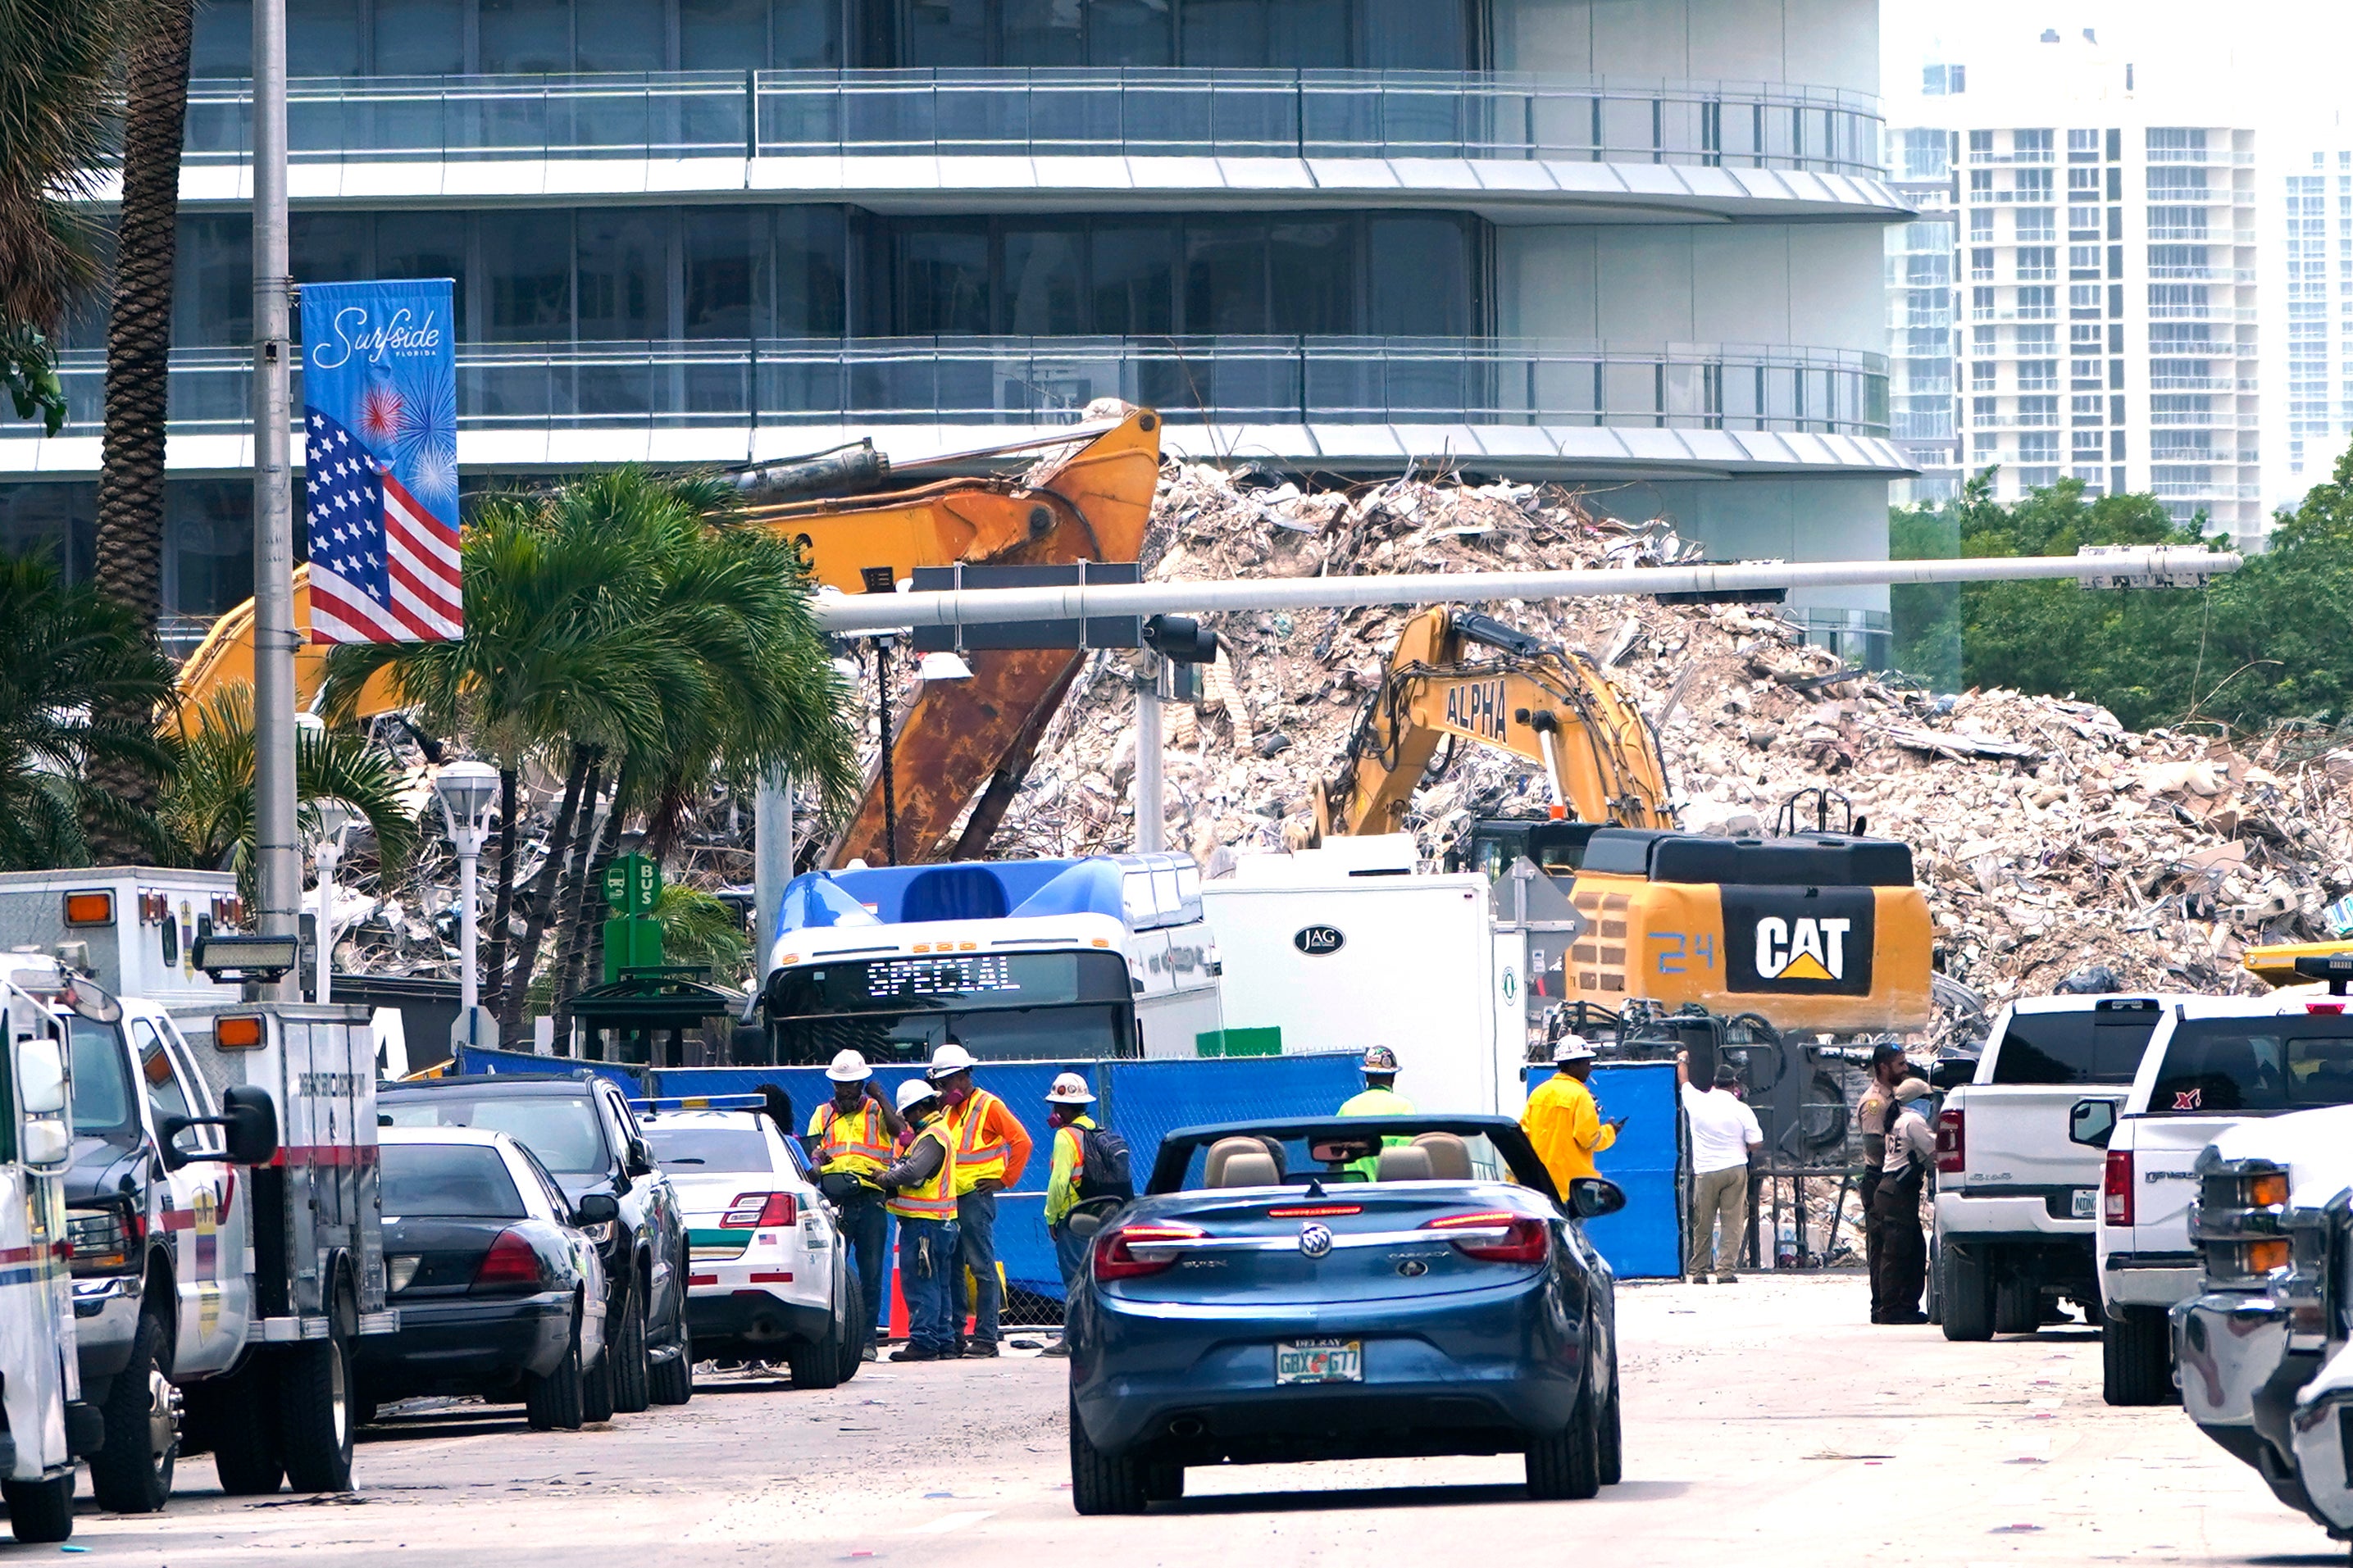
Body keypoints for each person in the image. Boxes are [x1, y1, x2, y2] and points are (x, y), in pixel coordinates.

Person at [928, 1039, 1032, 1358]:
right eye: (939, 1084)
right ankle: (958, 1336)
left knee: (981, 1267)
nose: (943, 1089)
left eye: (946, 1083)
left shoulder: (989, 1106)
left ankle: (986, 1338)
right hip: (951, 1199)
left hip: (975, 1197)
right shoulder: (946, 1109)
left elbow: (1022, 1142)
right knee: (954, 1269)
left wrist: (1004, 1180)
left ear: (963, 1076)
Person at [803, 1050, 902, 1362]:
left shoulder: (877, 1111)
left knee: (871, 1274)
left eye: (851, 1086)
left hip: (871, 1200)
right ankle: (833, 1339)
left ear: (862, 1084)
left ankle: (868, 1341)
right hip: (835, 1203)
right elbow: (811, 1157)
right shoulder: (822, 1114)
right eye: (839, 1086)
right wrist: (818, 1161)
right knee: (831, 1272)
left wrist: (881, 1096)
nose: (844, 1092)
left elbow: (899, 1131)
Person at [874, 1077, 960, 1361]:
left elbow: (913, 1172)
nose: (907, 1121)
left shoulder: (932, 1136)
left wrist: (885, 1178)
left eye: (908, 1114)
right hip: (938, 1222)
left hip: (925, 1223)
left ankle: (924, 1341)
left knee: (921, 1283)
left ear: (919, 1110)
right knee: (938, 1283)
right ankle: (944, 1341)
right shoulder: (938, 1132)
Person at [1677, 1051, 1763, 1283]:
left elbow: (1683, 1081)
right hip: (1735, 1169)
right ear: (1733, 1084)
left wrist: (1683, 1059)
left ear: (1714, 1083)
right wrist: (1744, 1149)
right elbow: (1756, 1141)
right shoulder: (1741, 1109)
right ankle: (1725, 1271)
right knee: (1732, 1222)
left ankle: (1699, 1271)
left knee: (1702, 1222)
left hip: (1705, 1171)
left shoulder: (1696, 1101)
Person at [1039, 1071, 1099, 1359]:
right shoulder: (1095, 1130)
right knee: (1093, 1279)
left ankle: (1072, 1339)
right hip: (1099, 1215)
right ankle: (1094, 1335)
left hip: (1073, 1218)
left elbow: (1059, 1182)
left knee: (1074, 1282)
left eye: (1056, 1106)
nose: (1053, 1112)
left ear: (1064, 1109)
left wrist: (1051, 1216)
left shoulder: (1065, 1136)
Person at [1869, 1078, 1937, 1325]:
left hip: (1891, 1190)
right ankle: (1893, 1308)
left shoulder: (1898, 1120)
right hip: (1898, 1191)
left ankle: (1900, 1305)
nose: (1930, 1104)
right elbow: (1935, 1152)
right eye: (1927, 1099)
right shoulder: (1913, 1121)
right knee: (1898, 1252)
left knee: (1908, 1249)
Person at [1522, 1035, 1626, 1193]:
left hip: (1539, 1186)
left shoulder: (1539, 1093)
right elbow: (1589, 1140)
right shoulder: (1580, 1096)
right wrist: (1611, 1131)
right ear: (1572, 1065)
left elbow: (1524, 1135)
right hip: (1572, 1188)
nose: (1590, 1069)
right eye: (1586, 1063)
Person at [1855, 1043, 1909, 1321]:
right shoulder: (1875, 1102)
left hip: (1889, 1176)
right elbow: (1874, 1145)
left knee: (1897, 1243)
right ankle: (1884, 1306)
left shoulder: (1894, 1097)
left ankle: (1897, 1303)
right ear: (1884, 1068)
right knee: (1884, 1245)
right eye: (1900, 1064)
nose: (1906, 1069)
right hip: (1879, 1178)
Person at [1338, 1046, 1414, 1179]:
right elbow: (1406, 1156)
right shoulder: (1404, 1107)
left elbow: (1334, 1153)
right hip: (1388, 1193)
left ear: (1367, 1077)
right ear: (1393, 1076)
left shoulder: (1347, 1107)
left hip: (1352, 1193)